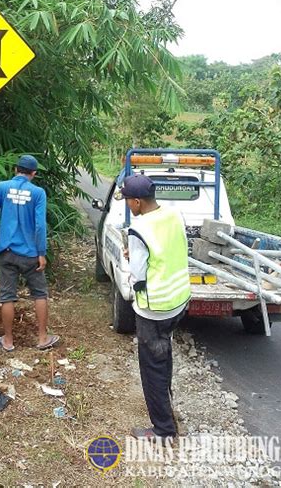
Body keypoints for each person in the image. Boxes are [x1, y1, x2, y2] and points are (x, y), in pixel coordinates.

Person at [117, 174, 190, 441]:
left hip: (154, 307)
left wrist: (134, 260)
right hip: (178, 301)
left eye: (128, 201)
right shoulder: (173, 215)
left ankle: (162, 430)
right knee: (164, 354)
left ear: (137, 202)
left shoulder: (139, 228)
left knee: (152, 369)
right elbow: (168, 248)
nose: (128, 205)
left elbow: (138, 273)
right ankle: (167, 404)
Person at [0, 154, 59, 352]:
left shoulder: (2, 187)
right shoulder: (38, 193)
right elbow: (40, 226)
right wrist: (41, 252)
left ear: (15, 170)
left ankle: (9, 340)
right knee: (39, 294)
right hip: (30, 254)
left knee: (7, 296)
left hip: (7, 251)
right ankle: (42, 338)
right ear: (34, 173)